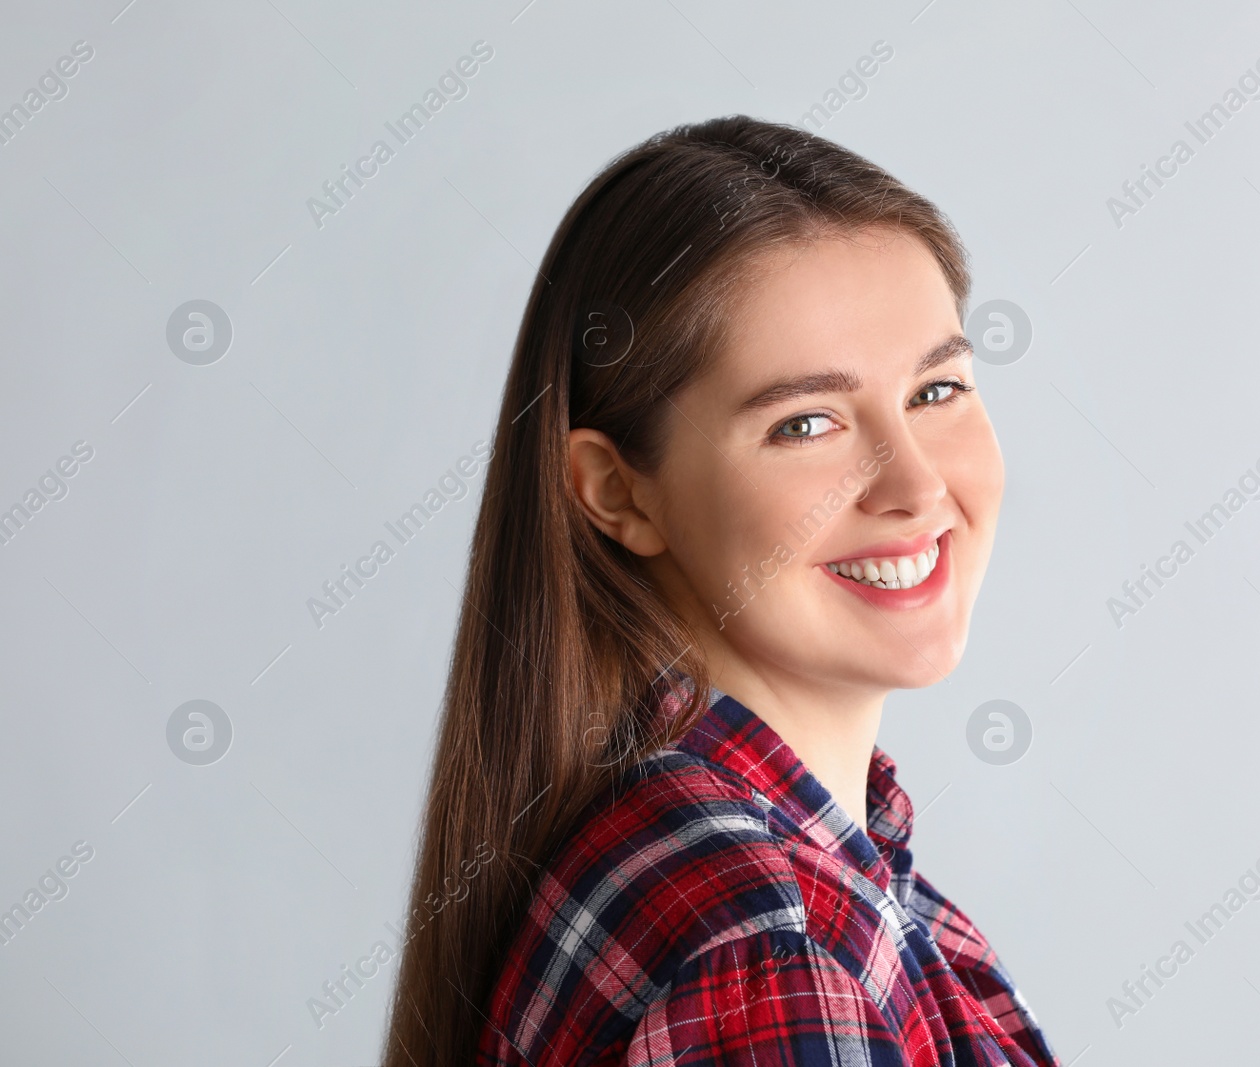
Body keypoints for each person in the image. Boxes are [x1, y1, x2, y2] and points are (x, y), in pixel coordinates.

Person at [383, 115, 1061, 1067]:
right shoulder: (762, 952)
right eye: (807, 423)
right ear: (619, 491)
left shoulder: (836, 888)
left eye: (936, 391)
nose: (914, 487)